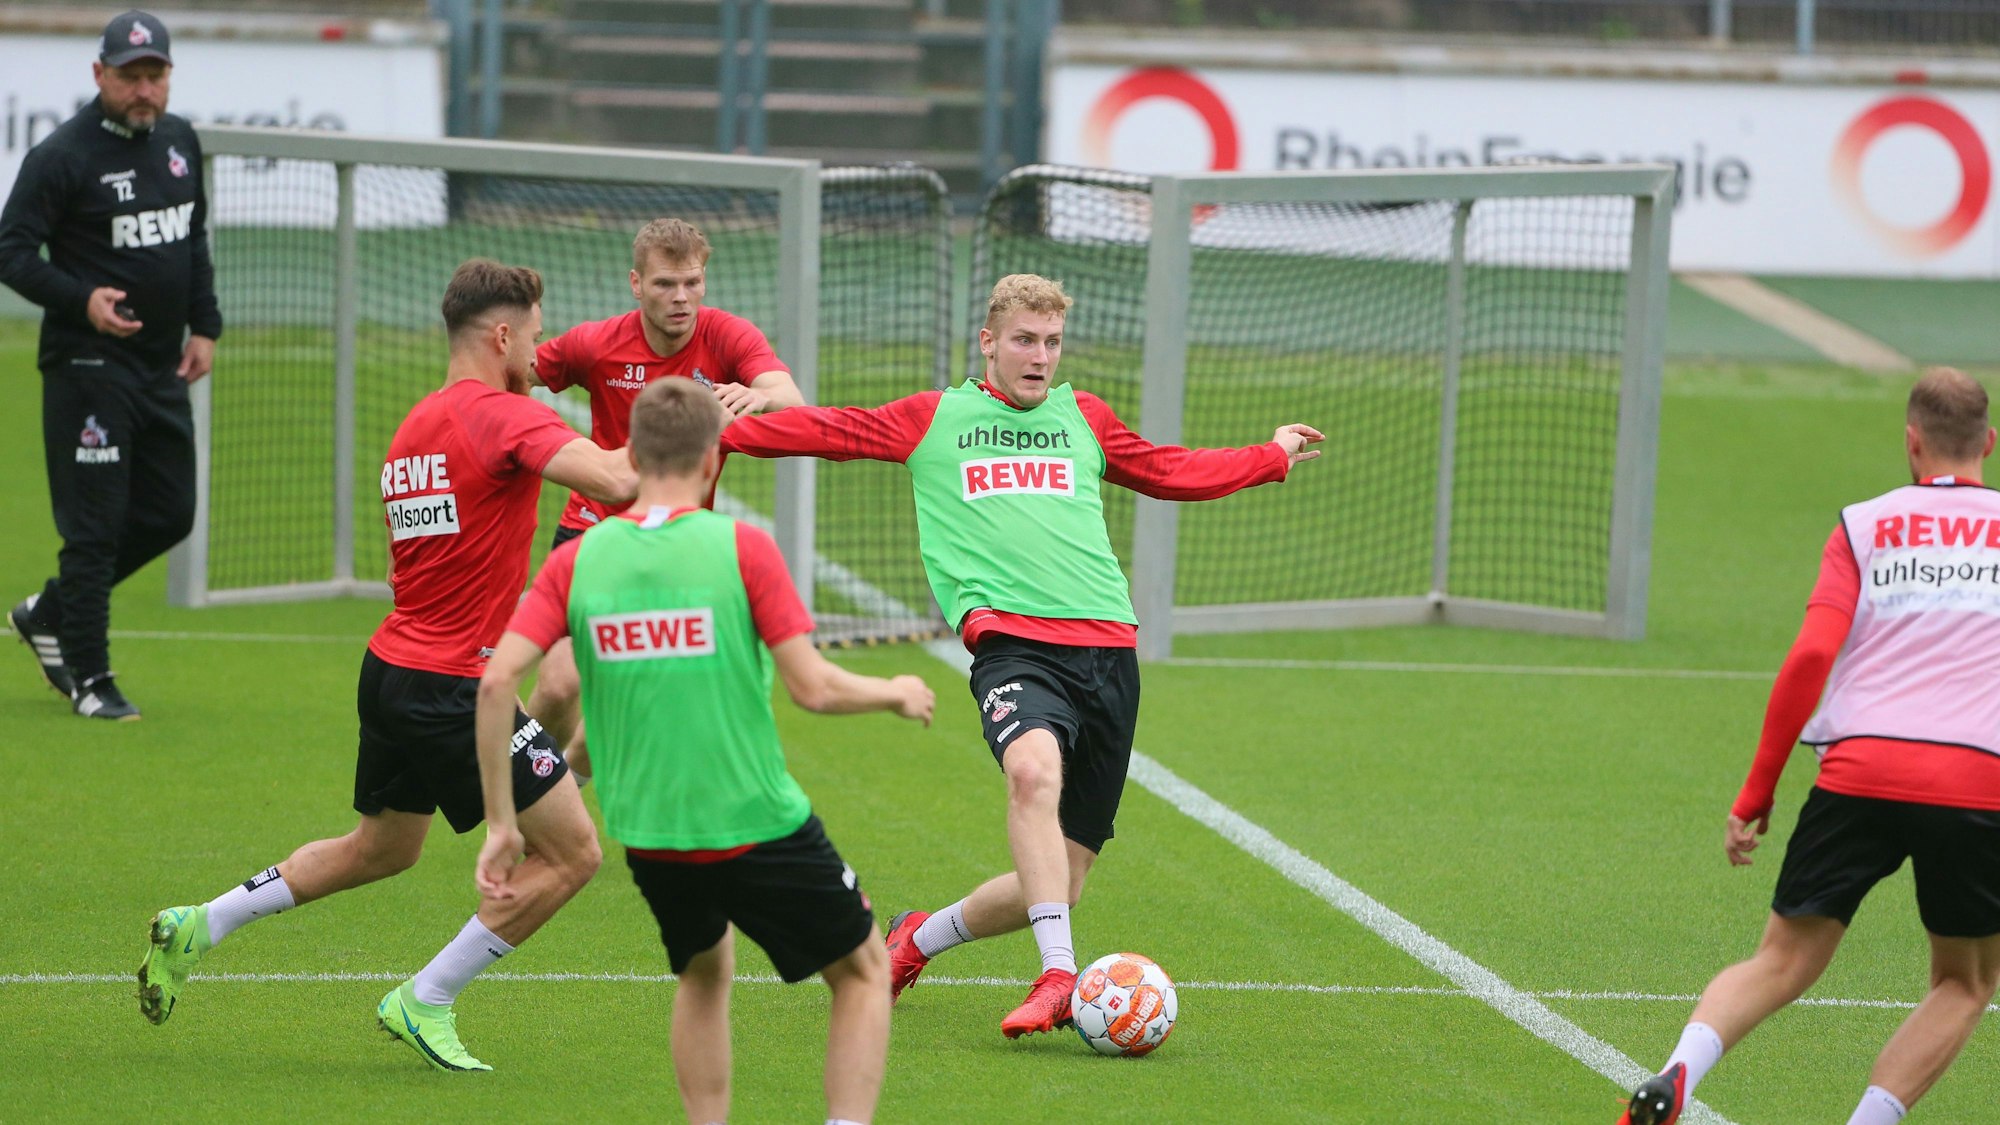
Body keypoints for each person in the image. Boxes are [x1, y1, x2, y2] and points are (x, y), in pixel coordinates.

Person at [719, 273, 1323, 1037]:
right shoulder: (936, 417)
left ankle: (917, 937)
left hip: (1109, 653)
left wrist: (1269, 453)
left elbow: (1169, 470)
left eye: (1052, 342)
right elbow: (829, 430)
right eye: (1025, 341)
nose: (1040, 356)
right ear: (989, 342)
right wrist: (709, 432)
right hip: (1014, 648)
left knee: (1060, 882)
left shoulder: (1083, 416)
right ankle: (1060, 975)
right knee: (1031, 773)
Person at [136, 260, 639, 1072]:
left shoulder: (414, 428)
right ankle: (427, 996)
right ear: (502, 335)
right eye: (537, 337)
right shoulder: (504, 418)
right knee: (576, 852)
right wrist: (703, 427)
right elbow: (618, 478)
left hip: (392, 666)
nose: (541, 359)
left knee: (385, 847)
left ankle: (205, 920)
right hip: (453, 683)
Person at [476, 377, 934, 1125]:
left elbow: (496, 684)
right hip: (755, 821)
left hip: (652, 834)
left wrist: (502, 823)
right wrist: (894, 690)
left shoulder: (577, 561)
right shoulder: (741, 546)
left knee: (703, 970)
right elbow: (813, 687)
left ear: (632, 457)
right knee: (860, 971)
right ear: (713, 460)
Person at [1618, 367, 2000, 1125]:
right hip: (1975, 778)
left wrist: (1755, 794)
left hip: (1858, 768)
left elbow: (1808, 659)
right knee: (1963, 981)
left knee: (1781, 959)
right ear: (1989, 443)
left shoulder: (1863, 524)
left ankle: (1673, 1077)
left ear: (1911, 441)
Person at [0, 10, 220, 720]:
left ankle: (49, 613)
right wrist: (80, 299)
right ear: (99, 75)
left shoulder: (181, 142)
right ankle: (91, 677)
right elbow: (10, 251)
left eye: (155, 75)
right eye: (130, 77)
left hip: (159, 367)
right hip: (86, 364)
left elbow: (192, 239)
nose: (144, 90)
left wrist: (205, 325)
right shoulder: (63, 155)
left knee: (169, 512)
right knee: (93, 529)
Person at [526, 217, 802, 765]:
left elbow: (788, 395)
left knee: (645, 708)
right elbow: (518, 373)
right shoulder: (597, 343)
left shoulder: (727, 336)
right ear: (636, 284)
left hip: (679, 544)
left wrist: (759, 395)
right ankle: (516, 798)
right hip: (595, 529)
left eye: (692, 283)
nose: (681, 298)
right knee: (559, 686)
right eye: (664, 285)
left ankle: (554, 808)